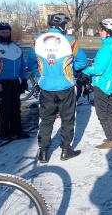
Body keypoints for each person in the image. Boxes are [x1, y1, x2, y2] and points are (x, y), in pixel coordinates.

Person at [28, 12, 87, 163]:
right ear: (63, 26)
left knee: (46, 120)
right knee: (67, 119)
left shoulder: (37, 40)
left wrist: (39, 75)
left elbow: (31, 62)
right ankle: (66, 151)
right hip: (65, 85)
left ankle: (43, 153)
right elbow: (83, 61)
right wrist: (70, 70)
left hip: (46, 86)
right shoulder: (69, 41)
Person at [83, 19, 112, 149]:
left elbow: (98, 69)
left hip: (102, 84)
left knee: (102, 113)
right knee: (110, 110)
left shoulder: (106, 48)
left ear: (107, 32)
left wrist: (84, 70)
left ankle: (110, 140)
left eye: (101, 30)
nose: (99, 32)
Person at [0, 22, 29, 140]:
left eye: (7, 32)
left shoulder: (15, 47)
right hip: (1, 83)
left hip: (15, 82)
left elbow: (22, 65)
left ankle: (17, 130)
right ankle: (4, 133)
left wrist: (24, 80)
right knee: (4, 108)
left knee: (16, 107)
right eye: (2, 32)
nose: (5, 34)